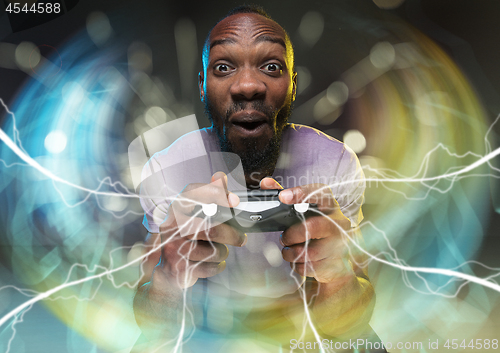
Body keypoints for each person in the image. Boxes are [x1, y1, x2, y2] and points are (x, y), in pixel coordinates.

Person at [132, 5, 384, 353]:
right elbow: (151, 325)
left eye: (271, 66)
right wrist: (168, 275)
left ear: (292, 86)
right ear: (203, 86)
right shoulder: (167, 167)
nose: (248, 85)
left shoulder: (334, 162)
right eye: (223, 67)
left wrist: (337, 277)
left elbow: (354, 319)